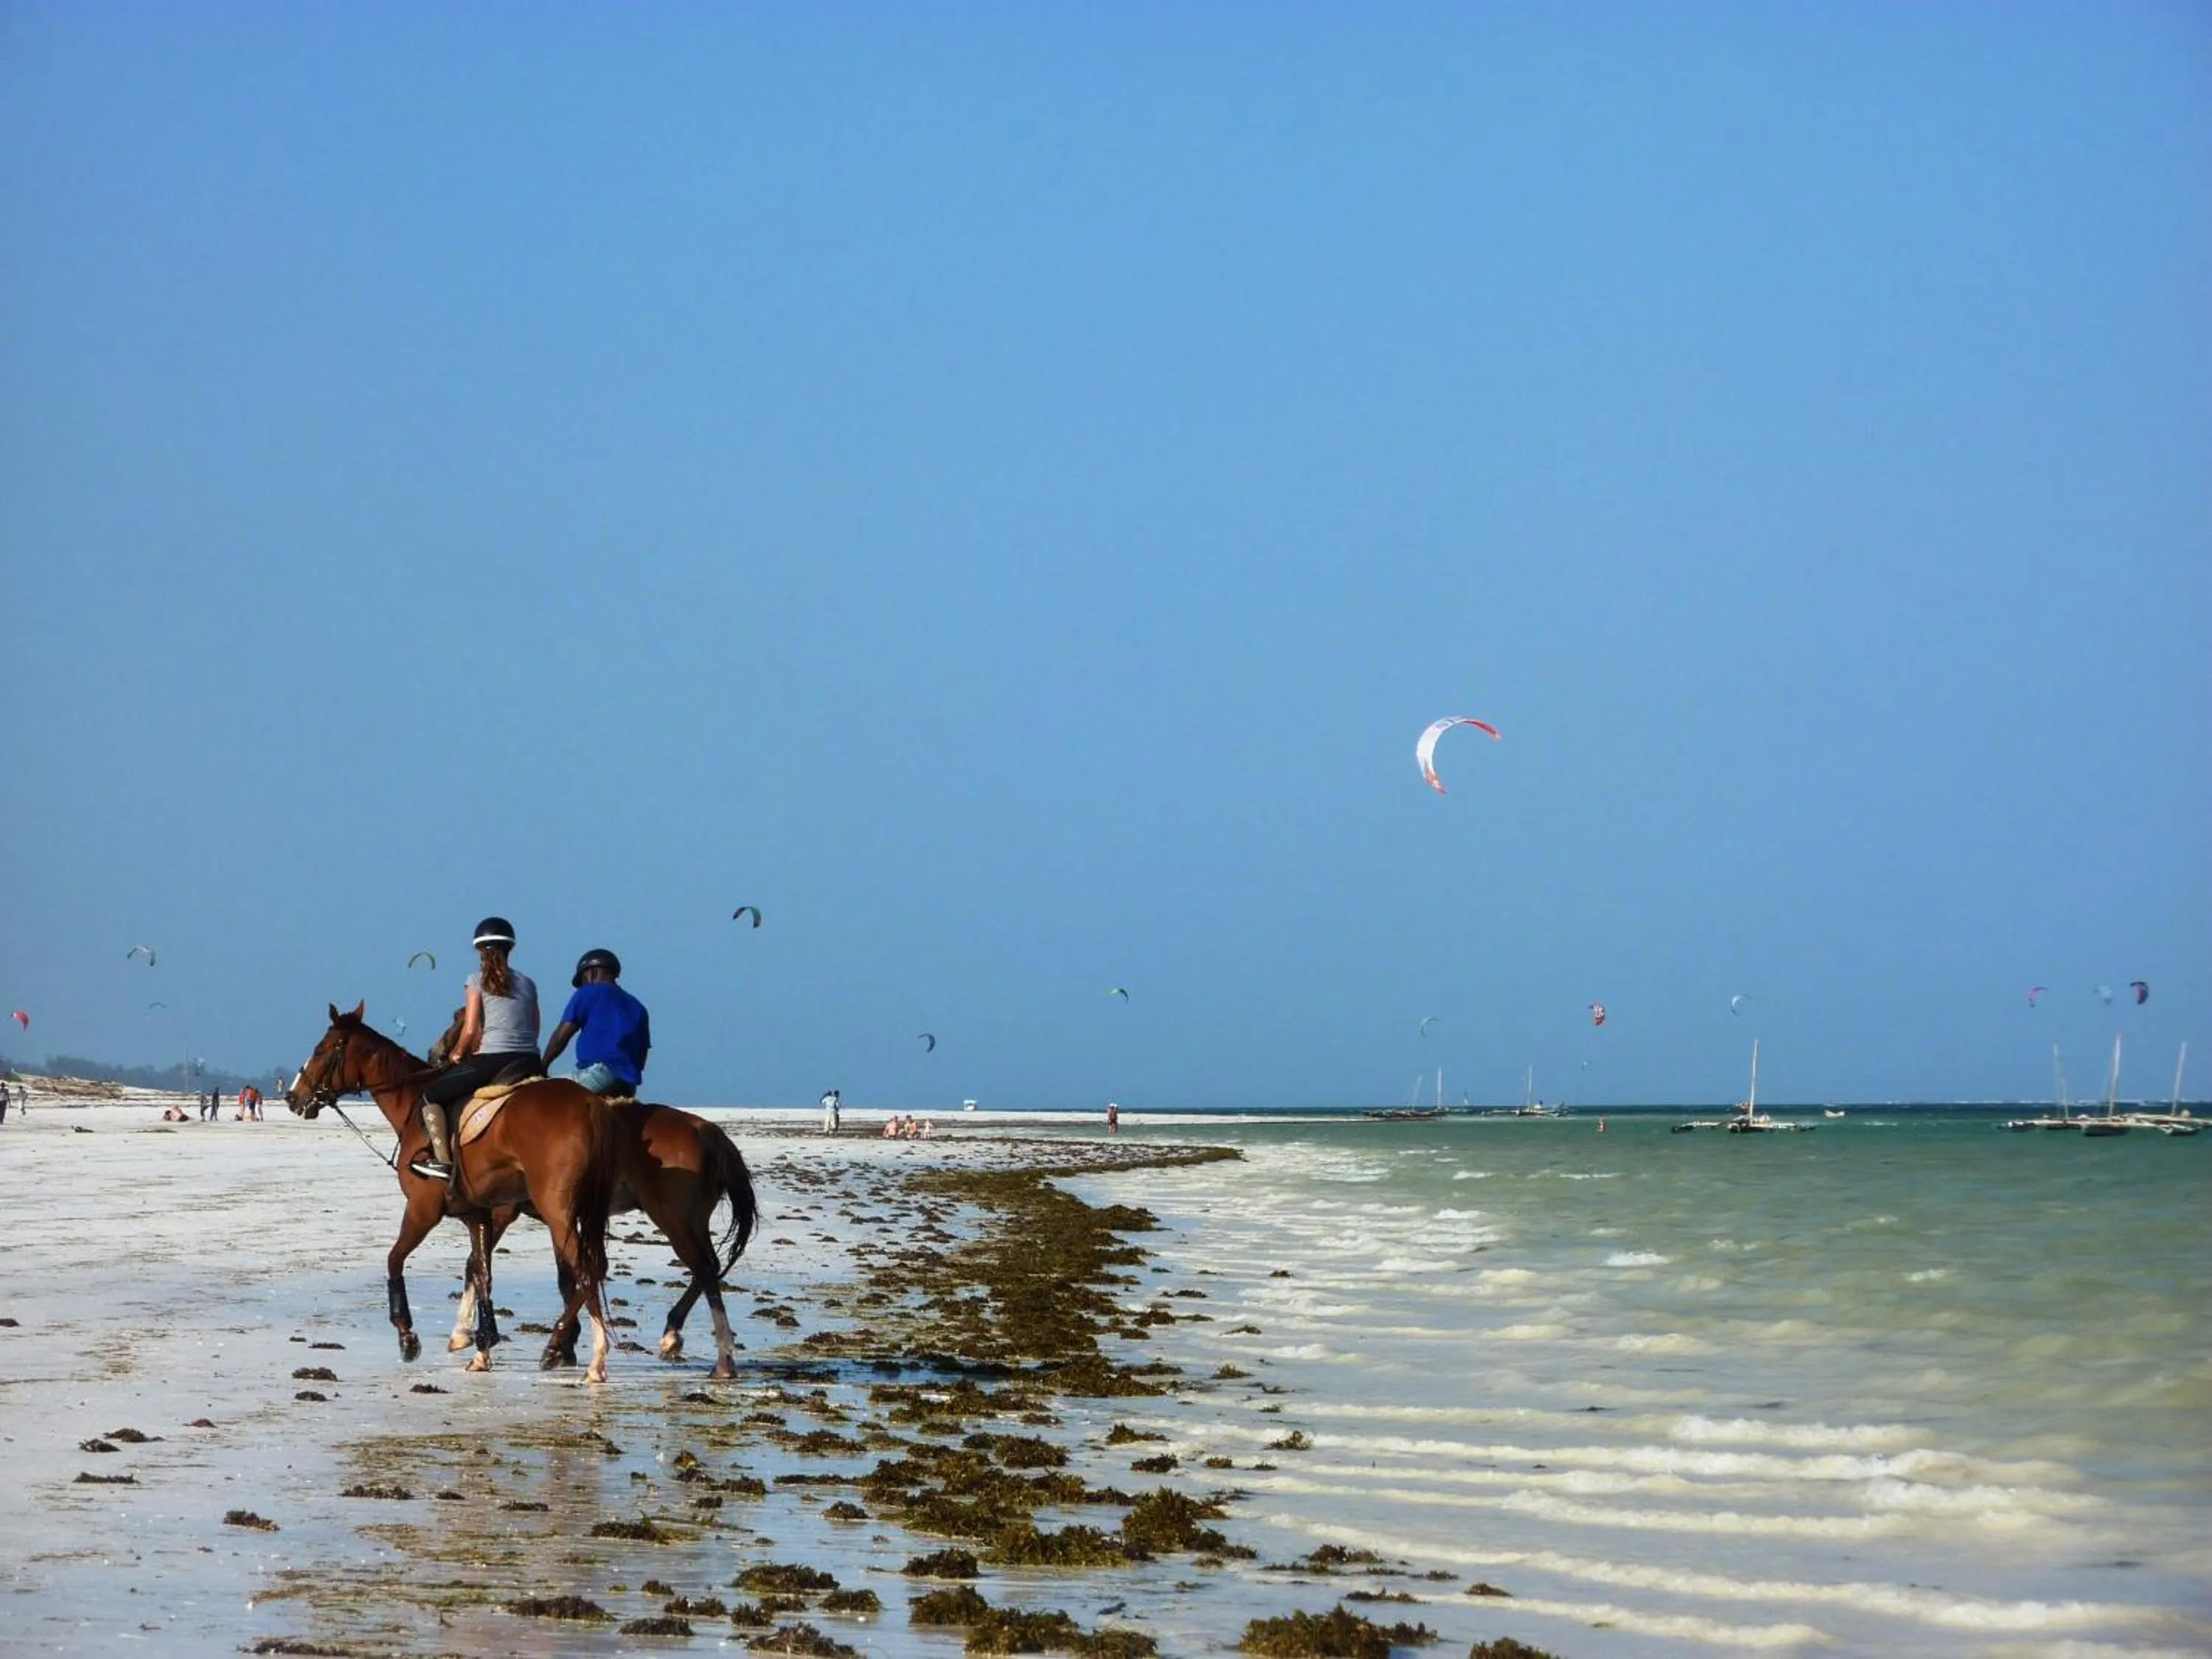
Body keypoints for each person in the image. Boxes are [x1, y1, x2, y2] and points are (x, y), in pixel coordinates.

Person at [414, 917, 540, 1183]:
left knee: (430, 1095)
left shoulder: (476, 980)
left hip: (494, 1058)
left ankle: (443, 1162)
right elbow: (536, 1026)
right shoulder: (529, 983)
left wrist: (457, 1054)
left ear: (478, 951)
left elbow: (470, 1029)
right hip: (530, 1061)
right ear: (511, 949)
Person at [541, 947, 650, 1100]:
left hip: (599, 1074)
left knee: (543, 1096)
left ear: (592, 974)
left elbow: (562, 1035)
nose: (583, 986)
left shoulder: (588, 992)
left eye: (583, 980)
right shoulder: (638, 1007)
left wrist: (543, 1065)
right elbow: (642, 1057)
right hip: (628, 1085)